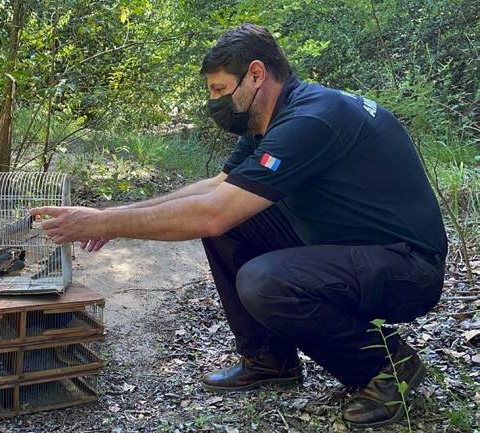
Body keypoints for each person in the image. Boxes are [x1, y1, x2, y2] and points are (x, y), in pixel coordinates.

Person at [31, 23, 447, 428]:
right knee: (231, 226)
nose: (215, 101)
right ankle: (272, 359)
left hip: (406, 268)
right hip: (350, 249)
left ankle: (389, 365)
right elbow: (219, 187)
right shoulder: (275, 117)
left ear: (255, 74)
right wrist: (112, 217)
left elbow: (212, 211)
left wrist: (110, 222)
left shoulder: (313, 120)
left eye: (218, 89)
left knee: (264, 280)